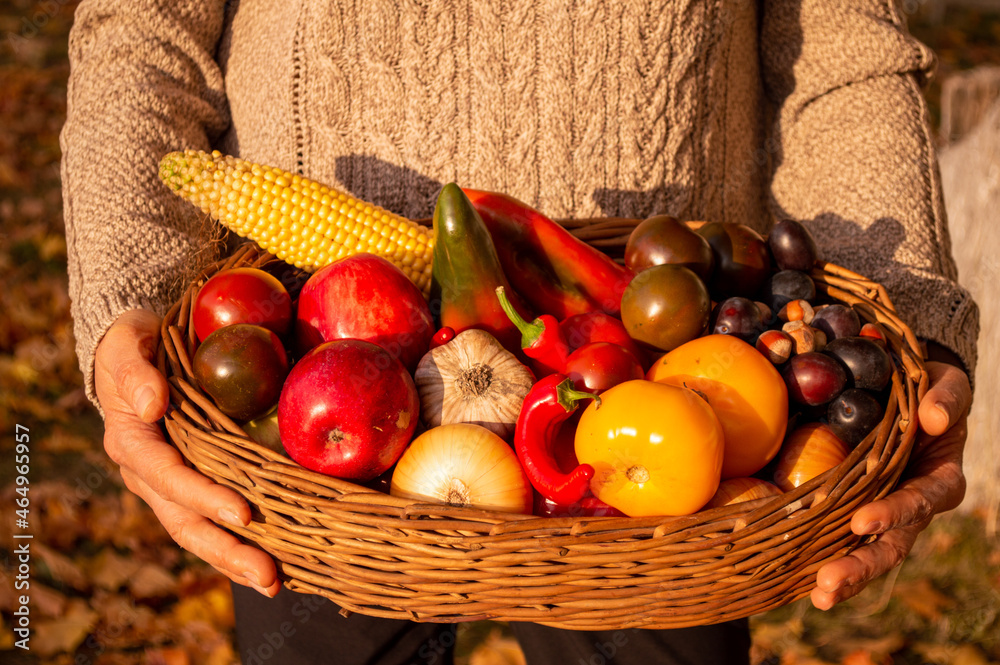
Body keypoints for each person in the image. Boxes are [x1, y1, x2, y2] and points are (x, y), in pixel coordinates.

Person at [62, 1, 977, 663]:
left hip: (663, 384)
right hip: (317, 377)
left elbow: (839, 45)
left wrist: (892, 324)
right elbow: (141, 31)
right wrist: (127, 290)